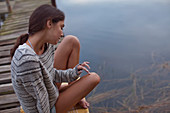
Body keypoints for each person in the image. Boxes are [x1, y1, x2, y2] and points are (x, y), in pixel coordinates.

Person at [10, 4, 100, 113]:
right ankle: (73, 95)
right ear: (49, 24)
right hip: (44, 107)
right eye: (61, 27)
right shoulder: (27, 60)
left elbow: (51, 73)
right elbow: (41, 101)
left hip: (50, 90)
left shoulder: (46, 44)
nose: (62, 34)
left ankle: (76, 96)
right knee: (94, 78)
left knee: (71, 40)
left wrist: (73, 72)